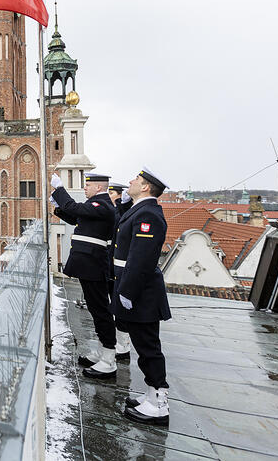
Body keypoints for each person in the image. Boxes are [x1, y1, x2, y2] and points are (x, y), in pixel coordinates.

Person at [113, 167, 172, 425]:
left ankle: (159, 403)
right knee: (143, 346)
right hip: (137, 291)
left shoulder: (149, 214)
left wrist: (127, 291)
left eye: (136, 180)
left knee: (149, 349)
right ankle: (150, 394)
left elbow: (141, 259)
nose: (130, 181)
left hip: (141, 293)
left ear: (146, 187)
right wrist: (124, 206)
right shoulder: (140, 210)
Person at [50, 172, 119, 379]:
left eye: (88, 186)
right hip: (89, 264)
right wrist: (57, 206)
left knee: (100, 310)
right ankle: (102, 352)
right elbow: (75, 216)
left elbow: (76, 209)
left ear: (98, 188)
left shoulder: (102, 205)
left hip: (94, 265)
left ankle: (109, 359)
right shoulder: (96, 206)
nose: (85, 189)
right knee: (96, 308)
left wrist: (60, 190)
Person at [107, 181, 133, 362]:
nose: (108, 197)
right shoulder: (117, 210)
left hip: (120, 266)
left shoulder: (121, 211)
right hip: (112, 263)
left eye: (111, 193)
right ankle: (121, 342)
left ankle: (123, 346)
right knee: (115, 304)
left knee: (120, 308)